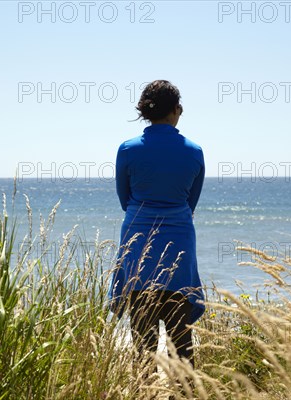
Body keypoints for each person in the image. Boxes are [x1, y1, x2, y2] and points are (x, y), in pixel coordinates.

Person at [109, 80, 205, 369]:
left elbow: (125, 199)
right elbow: (191, 204)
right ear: (176, 109)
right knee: (182, 346)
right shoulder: (194, 151)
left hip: (140, 251)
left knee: (143, 346)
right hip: (179, 251)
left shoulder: (127, 150)